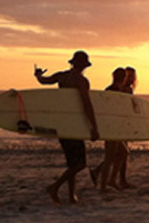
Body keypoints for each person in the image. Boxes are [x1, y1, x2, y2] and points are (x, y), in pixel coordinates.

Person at [34, 50, 99, 206]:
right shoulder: (82, 81)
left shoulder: (62, 76)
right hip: (75, 124)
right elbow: (86, 104)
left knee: (72, 163)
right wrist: (94, 127)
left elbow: (44, 81)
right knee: (80, 164)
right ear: (84, 66)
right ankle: (54, 187)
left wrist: (37, 75)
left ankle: (71, 196)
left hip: (62, 123)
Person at [89, 67, 127, 192]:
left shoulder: (110, 90)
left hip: (113, 126)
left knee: (123, 152)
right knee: (109, 156)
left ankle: (110, 180)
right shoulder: (114, 91)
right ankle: (103, 186)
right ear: (123, 78)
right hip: (112, 127)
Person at [110, 66, 137, 189]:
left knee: (120, 153)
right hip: (118, 123)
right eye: (128, 75)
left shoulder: (129, 89)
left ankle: (120, 179)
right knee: (119, 153)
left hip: (125, 123)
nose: (130, 77)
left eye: (132, 75)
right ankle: (116, 179)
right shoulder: (119, 89)